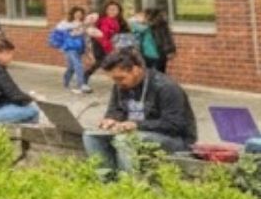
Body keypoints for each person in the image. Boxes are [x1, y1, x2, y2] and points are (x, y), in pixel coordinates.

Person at [84, 48, 197, 177]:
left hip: (176, 140)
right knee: (90, 135)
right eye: (114, 79)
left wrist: (137, 125)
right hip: (137, 133)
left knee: (125, 140)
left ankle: (129, 184)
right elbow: (115, 110)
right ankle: (106, 180)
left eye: (121, 78)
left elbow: (175, 125)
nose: (118, 83)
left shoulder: (166, 87)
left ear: (136, 69)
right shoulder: (120, 86)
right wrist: (111, 120)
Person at [49, 7, 92, 94]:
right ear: (73, 13)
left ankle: (66, 81)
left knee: (72, 67)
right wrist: (61, 45)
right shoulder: (65, 23)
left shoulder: (84, 24)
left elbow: (86, 38)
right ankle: (81, 85)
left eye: (80, 13)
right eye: (77, 13)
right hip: (70, 47)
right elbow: (56, 34)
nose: (79, 15)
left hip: (79, 48)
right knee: (78, 65)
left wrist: (88, 51)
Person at [139, 8, 177, 75]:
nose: (142, 17)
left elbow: (167, 39)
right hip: (146, 55)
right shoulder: (142, 27)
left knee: (159, 75)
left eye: (144, 15)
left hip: (158, 55)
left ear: (149, 16)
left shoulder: (161, 26)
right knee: (147, 75)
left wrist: (170, 51)